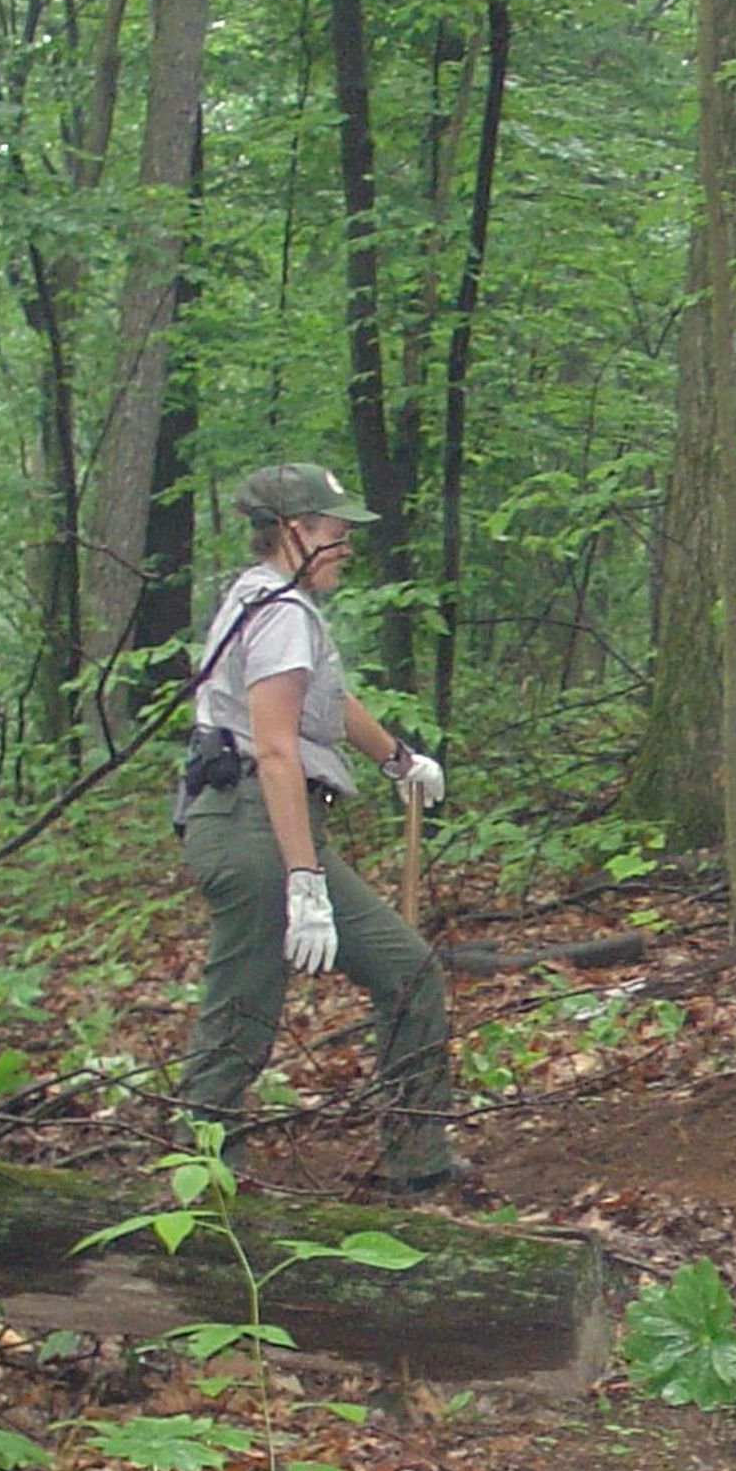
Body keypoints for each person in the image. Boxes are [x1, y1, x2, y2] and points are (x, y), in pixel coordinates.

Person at [174, 461, 465, 1197]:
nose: (345, 546)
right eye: (335, 532)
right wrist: (304, 881)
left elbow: (323, 708)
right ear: (295, 531)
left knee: (408, 972)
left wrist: (398, 760)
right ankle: (197, 1179)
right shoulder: (275, 613)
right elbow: (274, 750)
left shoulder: (268, 603)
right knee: (241, 1010)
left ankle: (417, 1161)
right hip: (255, 829)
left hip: (257, 825)